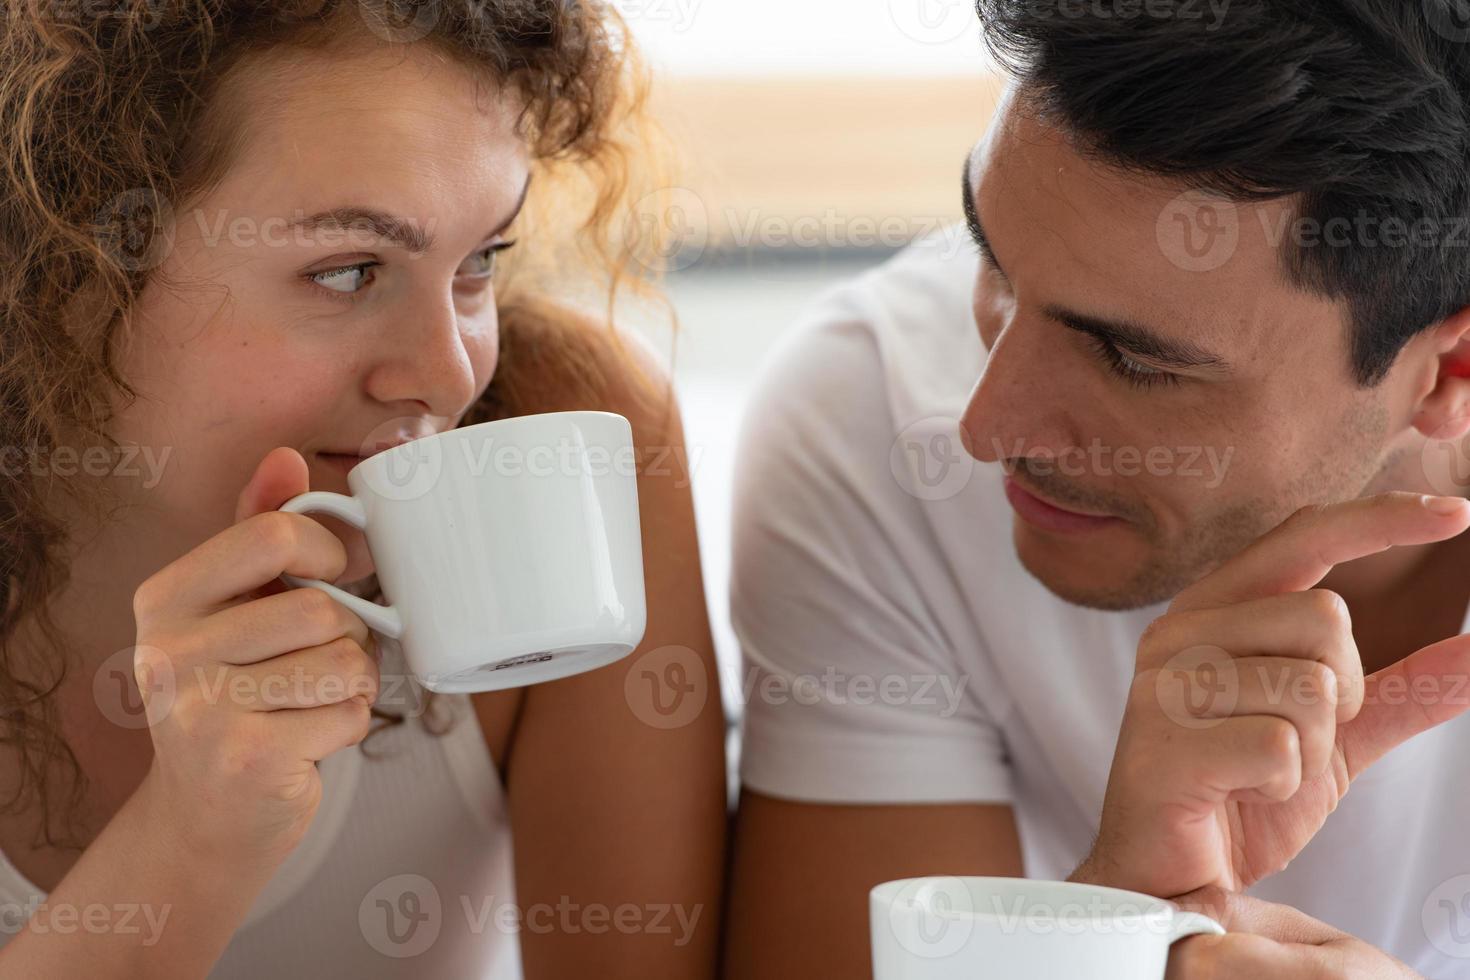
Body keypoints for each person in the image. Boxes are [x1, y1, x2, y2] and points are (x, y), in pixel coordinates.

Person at [724, 1, 1470, 976]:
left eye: (1130, 358)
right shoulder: (874, 422)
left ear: (1447, 373)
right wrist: (1106, 930)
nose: (985, 427)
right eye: (990, 260)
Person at [0, 2, 726, 977]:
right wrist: (191, 840)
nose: (448, 371)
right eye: (347, 270)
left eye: (480, 262)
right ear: (69, 263)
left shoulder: (556, 455)